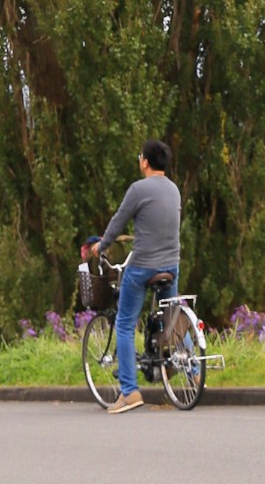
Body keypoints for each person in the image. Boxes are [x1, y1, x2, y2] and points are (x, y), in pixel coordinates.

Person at [82, 139, 181, 415]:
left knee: (125, 324)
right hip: (171, 264)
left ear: (145, 162)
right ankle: (194, 372)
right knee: (171, 318)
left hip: (143, 266)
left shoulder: (138, 189)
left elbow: (118, 221)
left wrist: (101, 245)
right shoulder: (174, 190)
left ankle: (129, 391)